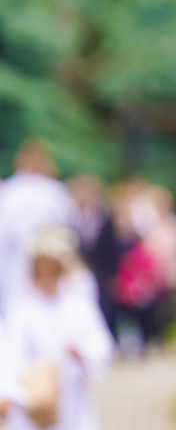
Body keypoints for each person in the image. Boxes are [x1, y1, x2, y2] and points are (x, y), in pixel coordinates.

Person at [4, 226, 115, 430]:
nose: (47, 279)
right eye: (41, 273)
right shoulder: (22, 310)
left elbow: (100, 344)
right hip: (34, 397)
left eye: (52, 272)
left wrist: (81, 353)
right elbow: (11, 354)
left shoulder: (78, 305)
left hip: (73, 398)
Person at [0, 138, 79, 317]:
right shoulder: (12, 190)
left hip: (48, 260)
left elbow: (65, 229)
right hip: (16, 260)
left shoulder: (55, 191)